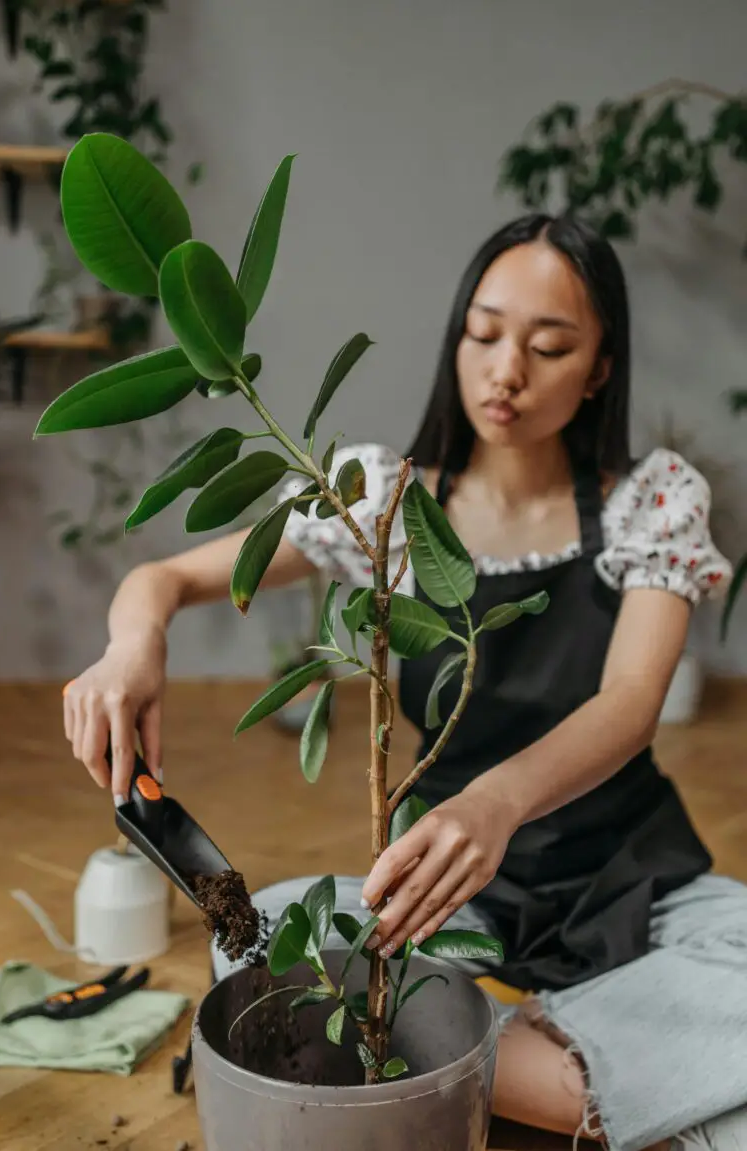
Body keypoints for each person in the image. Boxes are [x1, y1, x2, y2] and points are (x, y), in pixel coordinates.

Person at [62, 215, 747, 1151]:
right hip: (442, 893)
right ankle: (631, 1083)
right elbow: (166, 580)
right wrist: (130, 640)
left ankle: (451, 1061)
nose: (507, 369)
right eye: (484, 332)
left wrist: (495, 803)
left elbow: (629, 704)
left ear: (597, 369)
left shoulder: (654, 498)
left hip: (631, 874)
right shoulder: (384, 503)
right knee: (265, 936)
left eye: (549, 346)